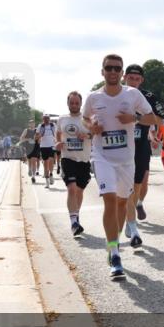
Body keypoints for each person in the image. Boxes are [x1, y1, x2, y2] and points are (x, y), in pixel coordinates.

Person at [82, 53, 163, 280]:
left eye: (117, 68)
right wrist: (92, 126)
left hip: (126, 159)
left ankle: (113, 243)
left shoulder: (132, 94)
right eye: (109, 68)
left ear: (122, 72)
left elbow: (152, 118)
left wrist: (134, 118)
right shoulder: (93, 97)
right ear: (102, 71)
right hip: (102, 156)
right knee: (109, 198)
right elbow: (84, 118)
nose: (113, 72)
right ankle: (115, 254)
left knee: (120, 203)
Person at [123, 64, 163, 244]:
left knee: (137, 184)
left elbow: (161, 119)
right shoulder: (115, 93)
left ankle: (130, 216)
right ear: (124, 77)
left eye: (137, 79)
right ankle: (130, 223)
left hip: (141, 146)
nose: (133, 81)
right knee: (124, 186)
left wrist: (154, 132)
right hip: (121, 147)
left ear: (142, 80)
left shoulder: (149, 97)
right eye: (130, 78)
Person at [56, 92, 92, 236]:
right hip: (67, 158)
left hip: (83, 159)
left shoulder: (87, 119)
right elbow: (58, 132)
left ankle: (76, 216)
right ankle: (73, 222)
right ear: (68, 103)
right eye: (72, 103)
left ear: (81, 104)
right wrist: (57, 142)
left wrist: (87, 135)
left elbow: (95, 134)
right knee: (71, 188)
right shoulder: (62, 118)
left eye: (77, 103)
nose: (74, 105)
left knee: (79, 191)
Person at [36, 115, 57, 186]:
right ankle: (47, 180)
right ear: (43, 119)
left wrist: (57, 141)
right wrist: (39, 136)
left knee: (51, 161)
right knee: (45, 163)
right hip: (43, 146)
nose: (46, 120)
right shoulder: (40, 126)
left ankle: (51, 174)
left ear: (49, 119)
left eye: (47, 118)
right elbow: (36, 136)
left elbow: (57, 134)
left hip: (52, 145)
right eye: (44, 119)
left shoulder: (53, 125)